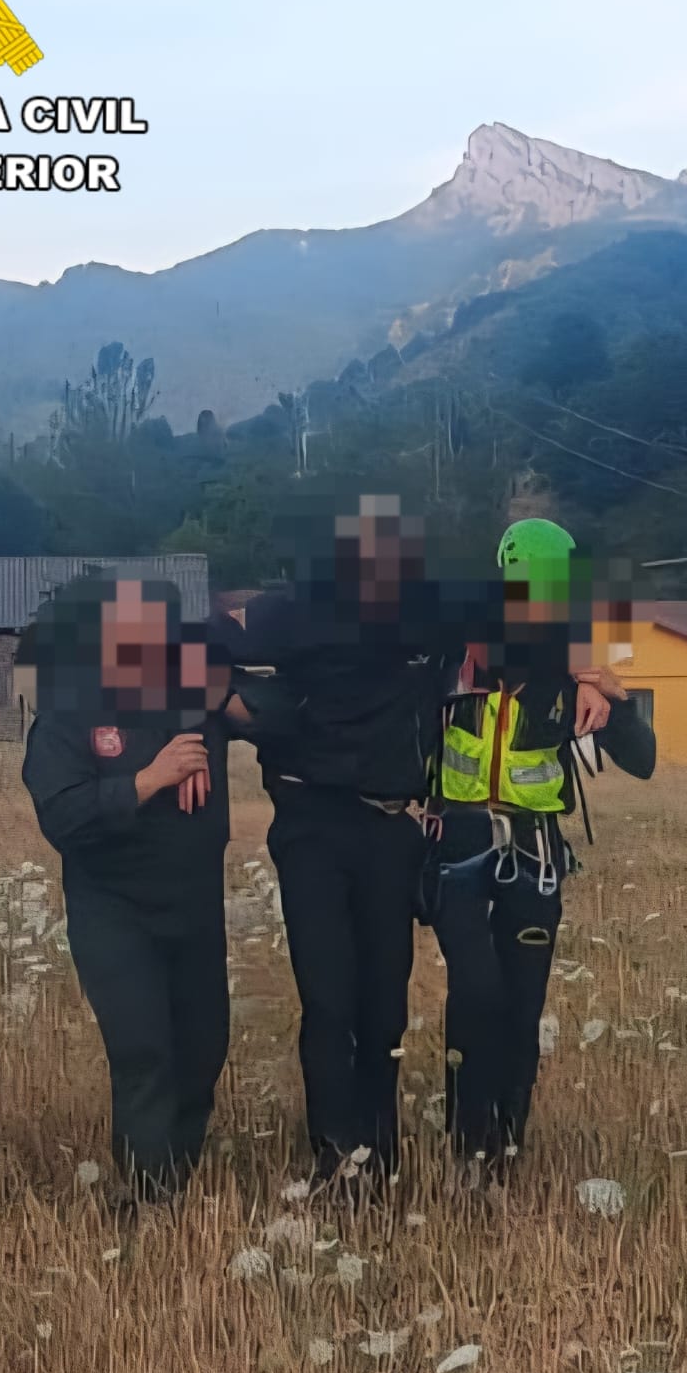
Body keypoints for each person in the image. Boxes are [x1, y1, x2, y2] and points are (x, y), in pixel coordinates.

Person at [226, 495, 457, 1189]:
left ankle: (379, 1157)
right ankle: (334, 1159)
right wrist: (232, 707)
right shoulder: (293, 613)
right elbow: (202, 638)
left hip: (391, 827)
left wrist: (592, 672)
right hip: (312, 827)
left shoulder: (429, 615)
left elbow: (523, 633)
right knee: (329, 1000)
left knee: (384, 1002)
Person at [426, 518, 654, 1183]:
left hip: (534, 856)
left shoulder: (572, 671)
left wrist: (617, 698)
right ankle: (467, 1148)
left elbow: (641, 761)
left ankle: (504, 1149)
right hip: (460, 850)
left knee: (521, 1009)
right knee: (477, 994)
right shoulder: (455, 653)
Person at [21, 576, 234, 1203]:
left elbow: (271, 708)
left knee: (201, 1053)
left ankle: (175, 1173)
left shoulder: (195, 698)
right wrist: (150, 779)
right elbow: (64, 817)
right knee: (144, 1052)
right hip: (114, 911)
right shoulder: (68, 712)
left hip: (195, 908)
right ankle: (148, 1196)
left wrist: (212, 717)